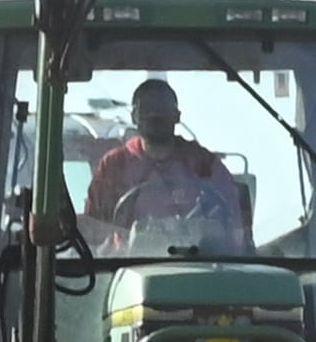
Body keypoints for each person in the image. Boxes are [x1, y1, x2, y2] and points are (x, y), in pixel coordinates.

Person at [79, 78, 247, 255]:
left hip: (201, 267)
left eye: (162, 108)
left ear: (177, 116)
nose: (154, 115)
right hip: (129, 269)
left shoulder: (204, 164)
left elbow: (234, 227)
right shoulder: (114, 166)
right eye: (146, 109)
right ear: (134, 116)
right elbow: (92, 229)